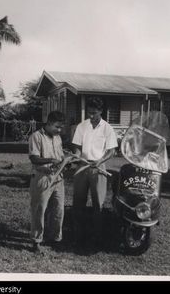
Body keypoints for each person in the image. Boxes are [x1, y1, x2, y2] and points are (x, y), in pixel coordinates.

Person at [72, 97, 118, 248]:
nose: (91, 116)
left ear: (101, 111)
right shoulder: (82, 126)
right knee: (78, 202)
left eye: (94, 113)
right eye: (89, 112)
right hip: (82, 166)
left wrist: (100, 161)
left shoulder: (107, 128)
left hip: (99, 167)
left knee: (98, 203)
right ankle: (77, 234)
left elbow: (111, 151)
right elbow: (77, 147)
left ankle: (96, 236)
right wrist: (78, 157)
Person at [28, 111, 65, 253]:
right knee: (39, 210)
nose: (59, 130)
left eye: (61, 127)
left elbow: (60, 156)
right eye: (57, 127)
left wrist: (65, 161)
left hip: (58, 178)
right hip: (42, 178)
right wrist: (50, 160)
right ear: (49, 123)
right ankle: (36, 241)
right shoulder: (36, 137)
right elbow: (34, 158)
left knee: (58, 210)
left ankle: (56, 239)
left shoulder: (58, 138)